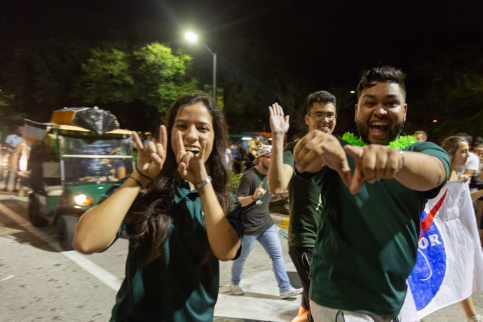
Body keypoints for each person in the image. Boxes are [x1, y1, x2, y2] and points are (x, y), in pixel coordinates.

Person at [293, 66, 449, 321]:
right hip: (342, 302)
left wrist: (395, 160)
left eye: (391, 102)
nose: (380, 110)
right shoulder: (341, 151)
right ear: (356, 111)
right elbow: (307, 162)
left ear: (404, 111)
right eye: (370, 103)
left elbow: (436, 173)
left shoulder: (421, 151)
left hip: (395, 298)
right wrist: (312, 146)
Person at [73, 92, 244, 322]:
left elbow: (227, 251)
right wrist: (140, 177)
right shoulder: (144, 186)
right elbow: (86, 241)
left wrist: (203, 185)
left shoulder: (224, 199)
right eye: (182, 126)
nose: (191, 136)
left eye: (203, 128)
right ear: (170, 132)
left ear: (215, 138)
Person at [268, 90, 338, 322]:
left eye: (330, 114)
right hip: (308, 242)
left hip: (332, 244)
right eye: (319, 114)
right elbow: (277, 187)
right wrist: (278, 137)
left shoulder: (339, 151)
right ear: (307, 118)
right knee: (324, 306)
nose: (325, 120)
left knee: (311, 306)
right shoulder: (294, 151)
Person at [230, 145, 302, 299]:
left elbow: (267, 198)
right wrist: (253, 197)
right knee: (241, 257)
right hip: (248, 227)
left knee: (277, 255)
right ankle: (234, 282)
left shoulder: (270, 175)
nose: (272, 160)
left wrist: (281, 196)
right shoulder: (249, 177)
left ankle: (285, 289)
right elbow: (238, 201)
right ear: (261, 158)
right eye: (269, 157)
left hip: (266, 224)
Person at [441, 136, 483, 322]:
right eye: (463, 151)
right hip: (435, 233)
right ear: (451, 153)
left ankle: (472, 316)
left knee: (461, 270)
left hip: (451, 231)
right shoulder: (438, 175)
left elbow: (462, 201)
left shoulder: (456, 175)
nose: (468, 155)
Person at [3, 125, 24, 191]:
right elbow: (7, 144)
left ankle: (15, 188)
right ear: (17, 129)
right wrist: (14, 148)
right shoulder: (10, 137)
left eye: (22, 130)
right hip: (11, 155)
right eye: (20, 129)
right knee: (9, 171)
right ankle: (6, 187)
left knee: (17, 172)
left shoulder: (24, 139)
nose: (21, 131)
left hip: (20, 156)